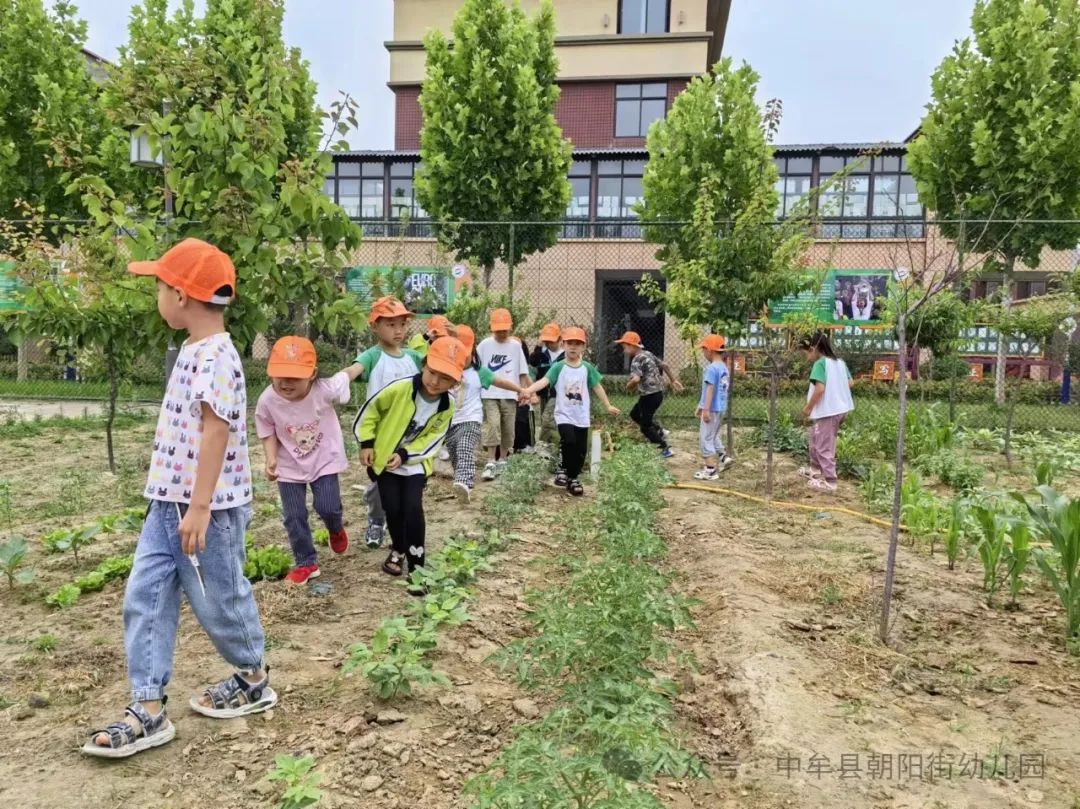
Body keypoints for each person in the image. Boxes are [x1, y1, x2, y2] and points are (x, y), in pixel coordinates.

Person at [84, 238, 275, 759]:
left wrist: (200, 506)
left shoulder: (217, 355)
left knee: (220, 597)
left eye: (159, 286)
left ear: (183, 295)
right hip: (166, 503)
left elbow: (216, 433)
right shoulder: (193, 349)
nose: (157, 296)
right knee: (144, 595)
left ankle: (254, 676)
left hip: (206, 508)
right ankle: (148, 708)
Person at [255, 336, 364, 585]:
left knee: (328, 506)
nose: (286, 382)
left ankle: (335, 527)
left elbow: (346, 375)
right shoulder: (267, 400)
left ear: (312, 374)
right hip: (289, 466)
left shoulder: (324, 389)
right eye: (280, 375)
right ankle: (306, 562)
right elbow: (267, 430)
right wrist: (271, 459)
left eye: (294, 376)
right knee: (293, 515)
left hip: (324, 459)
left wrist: (365, 360)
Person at [354, 336, 466, 578]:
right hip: (385, 461)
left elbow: (434, 438)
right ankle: (398, 548)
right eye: (433, 372)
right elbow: (370, 411)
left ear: (456, 381)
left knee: (413, 508)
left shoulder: (447, 406)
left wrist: (406, 454)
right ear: (424, 364)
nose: (436, 381)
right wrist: (367, 443)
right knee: (392, 509)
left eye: (446, 377)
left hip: (414, 463)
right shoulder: (400, 388)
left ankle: (417, 563)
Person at [355, 296, 424, 549]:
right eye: (391, 324)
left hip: (409, 435)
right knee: (378, 483)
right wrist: (338, 380)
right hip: (380, 436)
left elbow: (435, 369)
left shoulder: (414, 358)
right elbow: (355, 370)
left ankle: (402, 527)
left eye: (402, 324)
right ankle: (376, 519)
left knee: (406, 485)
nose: (398, 331)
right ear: (374, 326)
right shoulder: (372, 357)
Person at [518, 327, 619, 496]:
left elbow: (597, 386)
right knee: (569, 440)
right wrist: (529, 391)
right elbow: (544, 381)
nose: (573, 347)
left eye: (577, 344)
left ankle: (573, 478)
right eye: (570, 343)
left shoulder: (587, 368)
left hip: (581, 416)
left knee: (581, 450)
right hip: (564, 414)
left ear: (583, 347)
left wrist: (608, 405)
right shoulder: (558, 367)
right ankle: (562, 469)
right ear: (563, 345)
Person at [445, 324, 525, 503]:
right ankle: (463, 479)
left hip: (471, 419)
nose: (463, 356)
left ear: (472, 350)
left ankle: (464, 482)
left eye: (466, 351)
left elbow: (500, 382)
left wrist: (520, 389)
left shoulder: (479, 372)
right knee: (455, 453)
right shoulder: (446, 370)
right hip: (450, 421)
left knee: (465, 446)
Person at [477, 308, 531, 481]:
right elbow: (476, 367)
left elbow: (523, 371)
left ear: (510, 327)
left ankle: (503, 460)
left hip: (510, 394)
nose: (501, 332)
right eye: (497, 329)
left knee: (508, 426)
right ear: (491, 328)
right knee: (492, 424)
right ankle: (491, 460)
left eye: (504, 329)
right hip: (489, 393)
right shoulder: (484, 345)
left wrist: (524, 392)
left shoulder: (515, 346)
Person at [800, 331, 855, 493]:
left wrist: (808, 408)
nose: (805, 357)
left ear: (812, 349)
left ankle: (830, 482)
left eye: (805, 353)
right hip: (840, 409)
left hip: (828, 412)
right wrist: (837, 391)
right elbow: (850, 383)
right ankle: (815, 470)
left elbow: (820, 389)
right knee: (816, 438)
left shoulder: (820, 364)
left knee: (824, 445)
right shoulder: (840, 363)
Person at [615, 330, 682, 459]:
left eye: (625, 347)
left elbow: (636, 379)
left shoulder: (636, 361)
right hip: (657, 394)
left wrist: (628, 387)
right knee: (634, 414)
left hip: (649, 397)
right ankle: (659, 431)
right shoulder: (648, 354)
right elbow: (665, 365)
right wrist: (673, 380)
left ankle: (664, 448)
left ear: (633, 346)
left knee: (645, 427)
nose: (624, 351)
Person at [694, 335, 733, 480]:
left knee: (705, 438)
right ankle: (723, 457)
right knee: (714, 434)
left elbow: (710, 389)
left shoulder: (711, 368)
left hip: (711, 409)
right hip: (720, 408)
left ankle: (710, 470)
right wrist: (701, 406)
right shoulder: (723, 367)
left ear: (710, 350)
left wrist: (705, 409)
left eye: (703, 349)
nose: (703, 353)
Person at [529, 323, 564, 452]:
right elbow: (532, 361)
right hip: (544, 393)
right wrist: (539, 345)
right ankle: (551, 446)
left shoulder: (565, 356)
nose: (549, 344)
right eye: (546, 341)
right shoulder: (542, 354)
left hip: (558, 393)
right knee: (547, 417)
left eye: (552, 341)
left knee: (548, 419)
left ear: (560, 340)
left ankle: (544, 446)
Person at [512, 336, 535, 454]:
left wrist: (533, 394)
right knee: (513, 422)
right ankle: (515, 446)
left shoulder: (523, 364)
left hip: (523, 397)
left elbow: (527, 378)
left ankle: (526, 445)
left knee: (522, 420)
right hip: (509, 397)